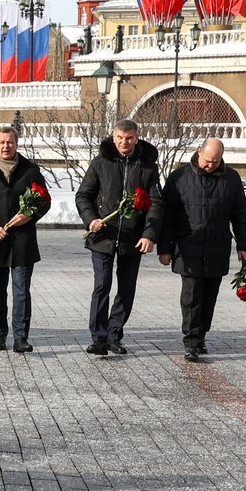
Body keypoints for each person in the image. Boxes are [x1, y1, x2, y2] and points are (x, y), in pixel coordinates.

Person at [158, 137, 246, 363]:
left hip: (217, 245)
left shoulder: (231, 178)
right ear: (199, 152)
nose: (211, 165)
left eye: (216, 161)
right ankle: (190, 341)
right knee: (191, 295)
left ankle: (201, 337)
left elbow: (239, 214)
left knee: (210, 295)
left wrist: (243, 245)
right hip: (187, 245)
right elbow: (167, 215)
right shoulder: (179, 177)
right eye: (208, 160)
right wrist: (165, 248)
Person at [75, 119, 163, 356]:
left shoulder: (148, 166)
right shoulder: (101, 162)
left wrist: (149, 235)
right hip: (103, 234)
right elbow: (84, 195)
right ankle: (99, 338)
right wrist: (91, 219)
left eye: (129, 138)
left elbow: (155, 203)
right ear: (114, 138)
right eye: (120, 138)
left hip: (132, 238)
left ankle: (115, 335)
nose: (124, 143)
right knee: (102, 285)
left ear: (137, 138)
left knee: (126, 288)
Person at [0, 126, 50, 353]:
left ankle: (21, 337)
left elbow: (44, 201)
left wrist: (30, 216)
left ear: (17, 144)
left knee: (21, 292)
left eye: (10, 142)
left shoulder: (31, 171)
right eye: (2, 142)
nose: (6, 146)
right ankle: (0, 334)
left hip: (23, 243)